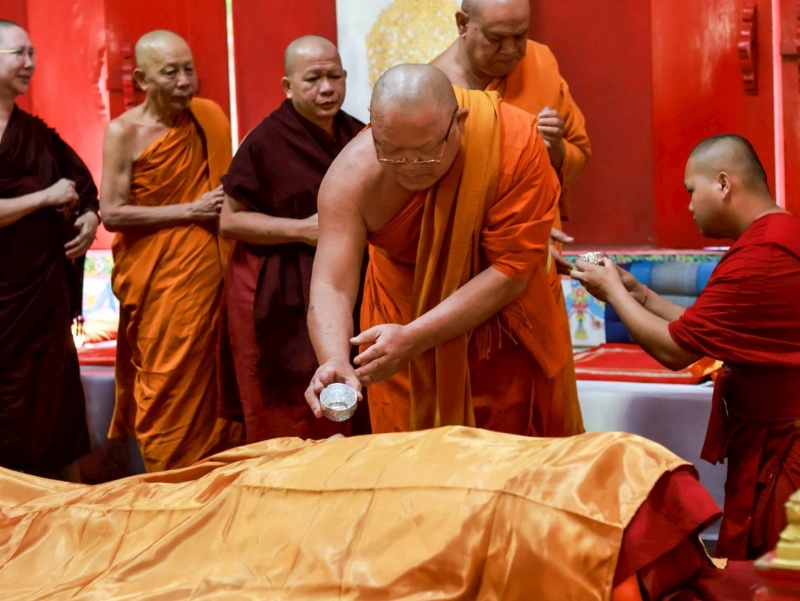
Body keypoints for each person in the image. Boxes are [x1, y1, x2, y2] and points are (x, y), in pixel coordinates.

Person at [305, 64, 583, 437]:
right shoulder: (350, 178)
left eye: (426, 152)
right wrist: (334, 357)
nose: (410, 167)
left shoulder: (512, 143)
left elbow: (510, 271)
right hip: (399, 320)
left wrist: (414, 338)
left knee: (510, 447)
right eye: (392, 153)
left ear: (459, 123)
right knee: (410, 448)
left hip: (498, 328)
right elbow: (332, 284)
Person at [571, 134, 800, 560]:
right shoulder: (775, 234)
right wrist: (640, 294)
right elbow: (702, 329)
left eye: (691, 191)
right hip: (771, 431)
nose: (689, 206)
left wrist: (612, 291)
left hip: (784, 443)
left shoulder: (759, 256)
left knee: (776, 573)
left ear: (724, 183)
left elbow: (677, 352)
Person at [100, 30, 242, 472]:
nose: (184, 81)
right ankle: (169, 482)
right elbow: (112, 213)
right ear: (143, 79)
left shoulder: (209, 116)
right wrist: (189, 210)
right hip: (159, 278)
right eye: (170, 72)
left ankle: (219, 481)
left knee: (218, 379)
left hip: (211, 270)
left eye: (189, 69)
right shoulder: (123, 132)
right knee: (166, 379)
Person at [219, 35, 365, 441]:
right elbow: (230, 221)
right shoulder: (264, 141)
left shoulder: (358, 135)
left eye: (334, 77)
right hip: (282, 283)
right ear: (288, 86)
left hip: (346, 282)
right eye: (313, 79)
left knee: (350, 386)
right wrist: (302, 229)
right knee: (288, 401)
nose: (326, 88)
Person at [0, 20, 99, 479]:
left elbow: (81, 188)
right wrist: (44, 198)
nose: (30, 64)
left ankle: (65, 505)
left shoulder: (35, 133)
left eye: (33, 54)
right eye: (19, 54)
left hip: (42, 300)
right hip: (5, 301)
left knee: (54, 400)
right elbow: (56, 191)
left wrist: (89, 219)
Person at [431, 0, 591, 272]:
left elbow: (579, 155)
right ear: (462, 24)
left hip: (539, 252)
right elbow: (427, 193)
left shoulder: (539, 61)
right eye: (496, 38)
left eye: (520, 36)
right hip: (465, 259)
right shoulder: (436, 89)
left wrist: (555, 149)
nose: (511, 50)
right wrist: (517, 235)